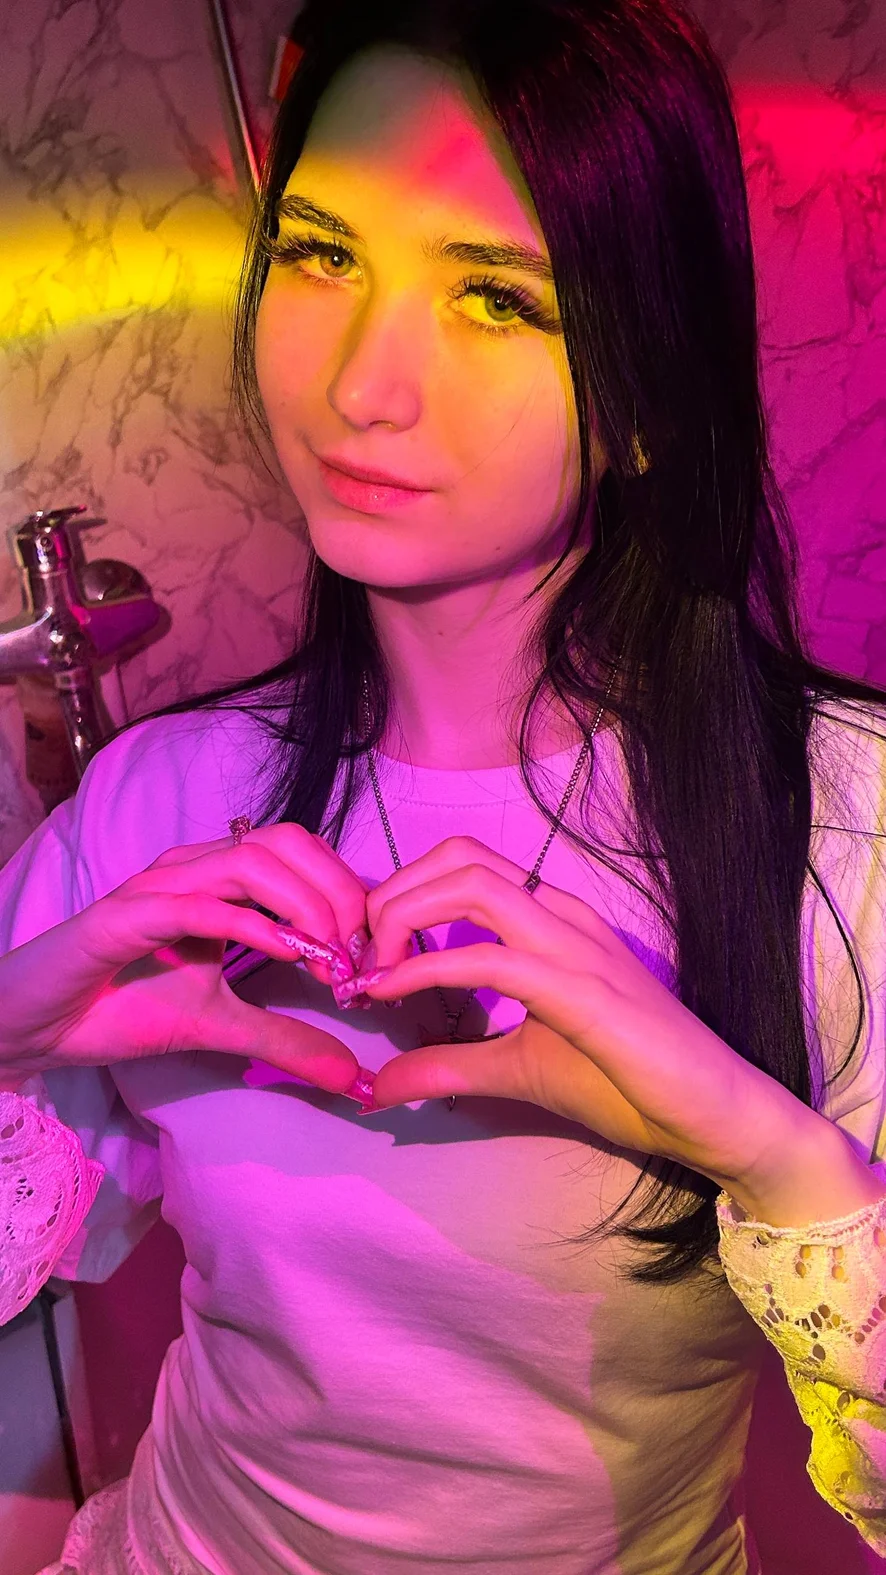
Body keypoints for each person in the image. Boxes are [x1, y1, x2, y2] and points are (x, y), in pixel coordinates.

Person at [1, 2, 885, 1570]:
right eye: (322, 252)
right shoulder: (156, 800)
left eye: (495, 295)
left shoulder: (843, 829)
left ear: (648, 397)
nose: (360, 384)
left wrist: (776, 1160)